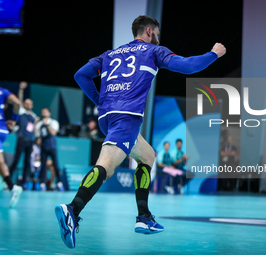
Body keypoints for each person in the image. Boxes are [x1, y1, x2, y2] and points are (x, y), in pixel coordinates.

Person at [55, 15, 226, 249]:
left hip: (108, 117)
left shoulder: (108, 55)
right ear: (149, 31)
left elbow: (80, 75)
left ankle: (144, 217)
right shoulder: (153, 52)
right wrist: (214, 53)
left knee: (147, 156)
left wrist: (100, 101)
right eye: (157, 32)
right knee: (106, 166)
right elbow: (188, 66)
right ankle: (72, 210)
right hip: (127, 118)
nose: (158, 37)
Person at [0, 86, 23, 207]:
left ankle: (12, 186)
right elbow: (17, 102)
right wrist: (14, 119)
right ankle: (3, 181)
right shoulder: (3, 91)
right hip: (2, 129)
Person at [9, 81, 38, 185]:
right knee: (16, 160)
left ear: (32, 105)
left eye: (30, 103)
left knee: (27, 163)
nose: (28, 105)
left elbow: (34, 129)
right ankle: (8, 179)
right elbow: (19, 100)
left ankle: (23, 182)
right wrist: (21, 89)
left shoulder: (34, 116)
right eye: (26, 103)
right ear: (24, 105)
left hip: (30, 141)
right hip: (21, 140)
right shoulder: (21, 111)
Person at [35, 108, 64, 191]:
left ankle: (59, 182)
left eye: (45, 111)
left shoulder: (53, 122)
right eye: (42, 111)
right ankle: (42, 183)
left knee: (55, 164)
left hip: (52, 147)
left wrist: (47, 125)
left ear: (49, 113)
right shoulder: (39, 123)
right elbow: (36, 133)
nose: (43, 113)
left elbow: (53, 132)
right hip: (43, 147)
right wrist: (36, 123)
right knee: (43, 165)